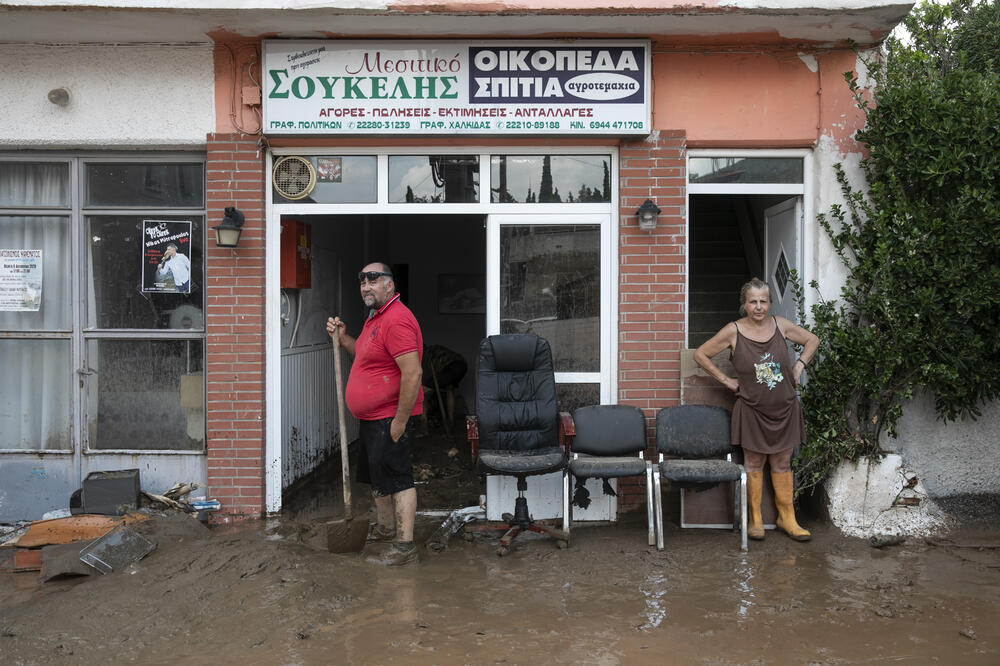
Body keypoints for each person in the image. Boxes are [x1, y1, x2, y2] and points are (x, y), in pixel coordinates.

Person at [693, 277, 820, 542]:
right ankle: (756, 519)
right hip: (752, 408)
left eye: (763, 301)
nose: (759, 307)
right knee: (753, 463)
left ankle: (787, 518)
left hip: (785, 408)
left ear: (770, 303)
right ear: (745, 304)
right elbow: (701, 354)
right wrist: (727, 381)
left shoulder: (781, 325)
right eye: (753, 302)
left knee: (782, 463)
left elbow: (812, 340)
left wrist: (799, 366)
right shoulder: (733, 331)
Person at [327, 262, 423, 566]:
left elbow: (413, 373)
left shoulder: (397, 320)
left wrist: (400, 421)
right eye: (362, 282)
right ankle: (385, 529)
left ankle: (404, 546)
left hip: (390, 417)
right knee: (378, 477)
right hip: (373, 419)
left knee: (398, 478)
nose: (366, 287)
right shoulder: (375, 318)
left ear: (390, 285)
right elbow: (367, 356)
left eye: (373, 280)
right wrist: (344, 339)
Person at [421, 344, 467, 428]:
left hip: (450, 367)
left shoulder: (425, 356)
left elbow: (433, 372)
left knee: (423, 395)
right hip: (462, 365)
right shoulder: (435, 347)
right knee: (450, 389)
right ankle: (451, 423)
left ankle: (423, 426)